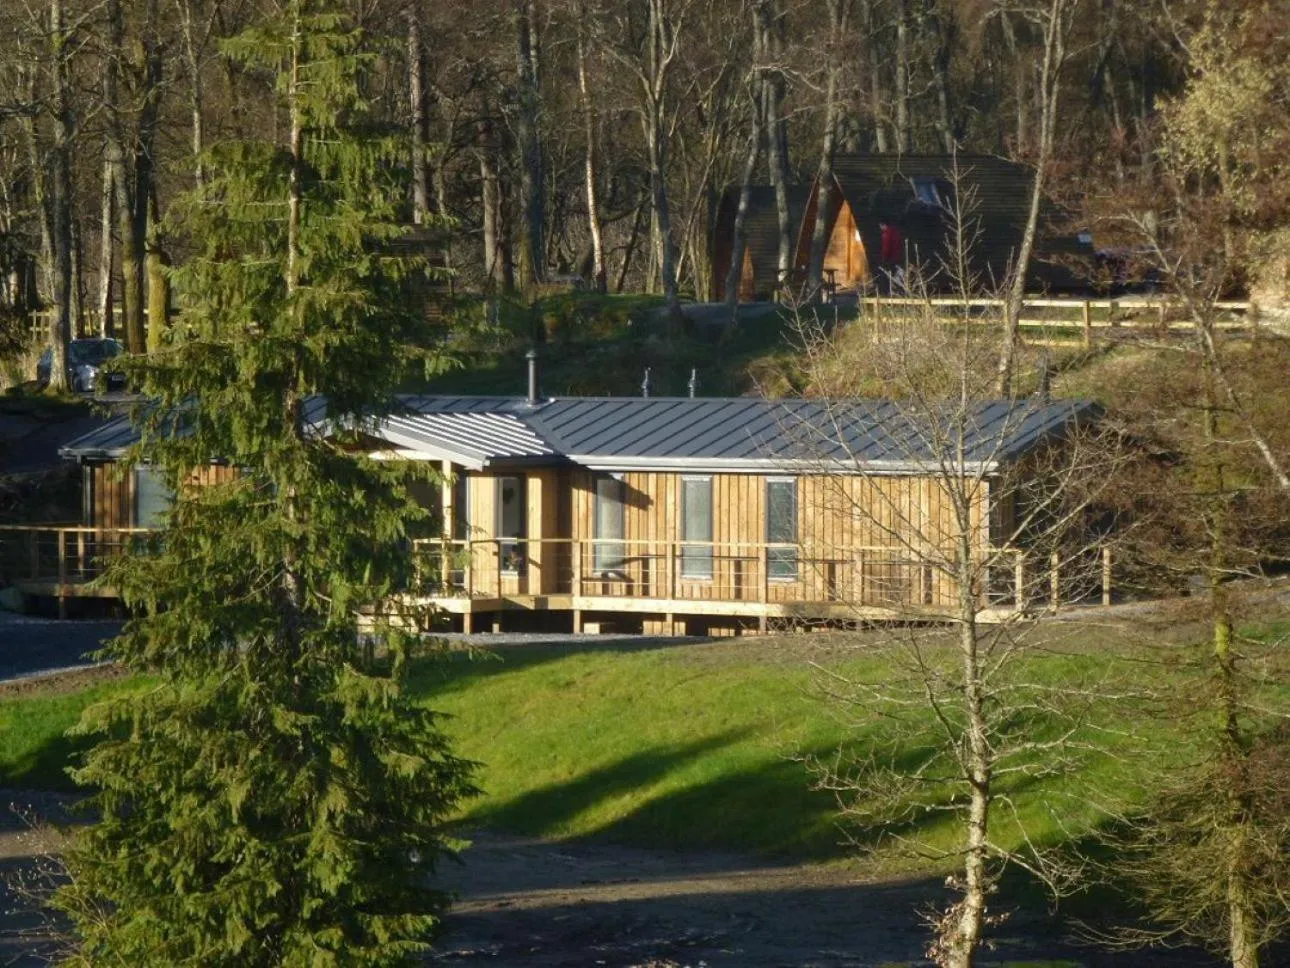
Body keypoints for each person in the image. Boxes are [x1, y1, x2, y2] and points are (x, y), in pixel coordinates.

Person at [878, 219, 905, 294]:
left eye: (880, 226)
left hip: (891, 258)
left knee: (890, 275)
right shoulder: (896, 232)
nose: (880, 228)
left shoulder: (887, 234)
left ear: (883, 225)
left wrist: (884, 258)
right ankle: (899, 290)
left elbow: (886, 247)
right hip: (899, 257)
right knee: (898, 274)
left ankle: (892, 291)